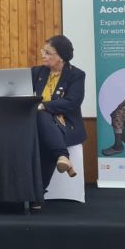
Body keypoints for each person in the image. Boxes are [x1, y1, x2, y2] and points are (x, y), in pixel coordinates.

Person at [31, 35, 86, 199]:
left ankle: (37, 193)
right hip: (38, 123)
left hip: (65, 123)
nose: (43, 55)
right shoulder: (37, 72)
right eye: (43, 51)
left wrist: (44, 106)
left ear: (61, 57)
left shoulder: (76, 75)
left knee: (43, 120)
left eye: (48, 53)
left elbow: (72, 102)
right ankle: (62, 156)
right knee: (42, 120)